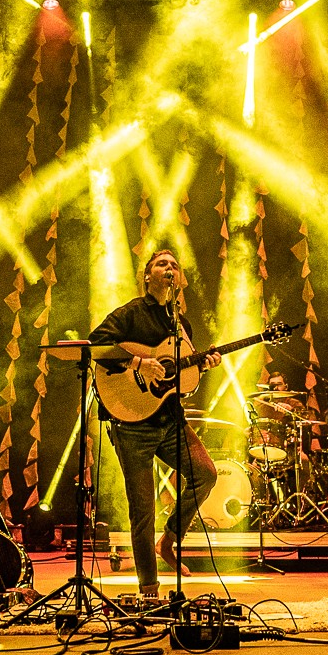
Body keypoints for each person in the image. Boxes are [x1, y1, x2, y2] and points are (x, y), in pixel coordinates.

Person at [88, 249, 223, 601]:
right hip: (131, 423)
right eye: (162, 264)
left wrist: (203, 365)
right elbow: (96, 346)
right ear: (147, 276)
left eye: (175, 265)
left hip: (169, 420)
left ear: (180, 279)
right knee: (142, 510)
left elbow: (181, 377)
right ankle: (149, 591)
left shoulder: (181, 324)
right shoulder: (131, 313)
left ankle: (171, 538)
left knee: (206, 473)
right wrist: (137, 362)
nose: (170, 269)